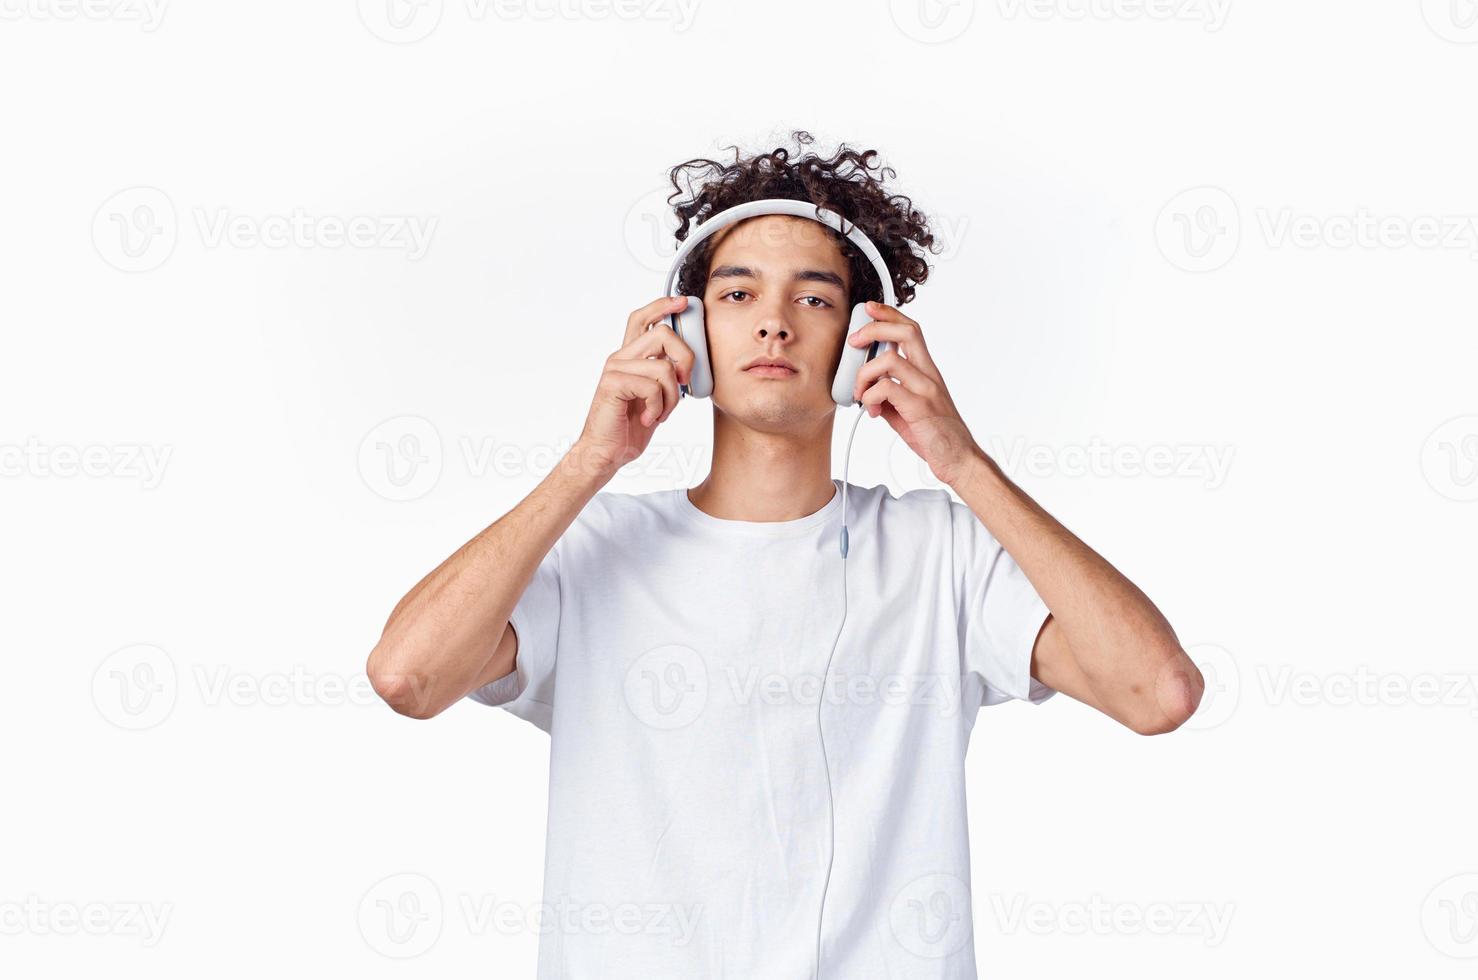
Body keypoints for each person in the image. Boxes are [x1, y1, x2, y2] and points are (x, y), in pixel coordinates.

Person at [366, 131, 1205, 979]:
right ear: (687, 331)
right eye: (736, 293)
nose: (772, 319)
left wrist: (962, 463)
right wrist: (590, 463)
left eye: (813, 299)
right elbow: (408, 676)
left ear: (862, 342)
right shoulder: (595, 550)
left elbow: (1158, 692)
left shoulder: (939, 555)